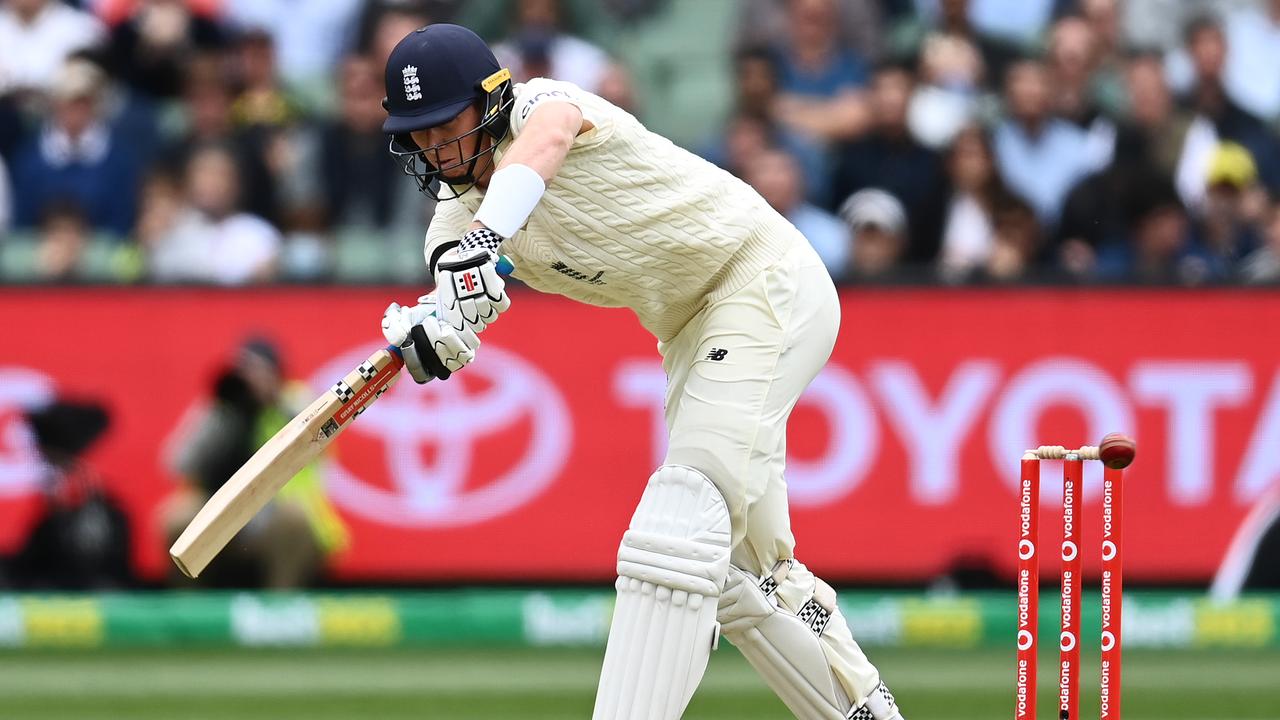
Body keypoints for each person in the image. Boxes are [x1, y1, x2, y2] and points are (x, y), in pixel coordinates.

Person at [377, 23, 905, 720]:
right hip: (690, 332)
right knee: (742, 573)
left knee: (684, 512)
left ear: (491, 102)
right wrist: (435, 333)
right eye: (420, 135)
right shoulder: (452, 227)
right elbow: (455, 312)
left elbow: (543, 149)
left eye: (448, 125)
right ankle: (866, 709)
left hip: (761, 279)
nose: (437, 148)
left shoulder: (544, 107)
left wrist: (486, 240)